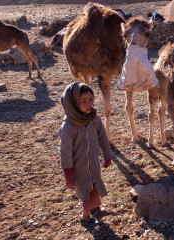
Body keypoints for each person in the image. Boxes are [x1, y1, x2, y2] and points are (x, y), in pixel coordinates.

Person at [59, 82, 113, 228]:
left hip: (94, 164)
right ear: (73, 103)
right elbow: (65, 153)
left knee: (95, 185)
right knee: (85, 191)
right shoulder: (69, 127)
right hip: (79, 169)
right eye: (83, 101)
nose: (89, 104)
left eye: (90, 100)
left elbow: (103, 139)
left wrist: (107, 156)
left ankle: (95, 208)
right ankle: (85, 216)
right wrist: (69, 175)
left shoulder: (94, 119)